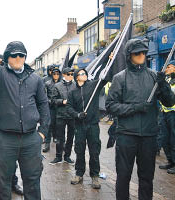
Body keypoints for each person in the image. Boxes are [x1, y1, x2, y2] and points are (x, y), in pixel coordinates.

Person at [106, 39, 175, 200]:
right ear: (130, 55)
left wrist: (163, 85)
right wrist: (135, 107)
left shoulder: (153, 77)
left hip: (148, 136)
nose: (141, 55)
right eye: (137, 53)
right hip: (126, 135)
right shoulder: (119, 78)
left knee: (146, 178)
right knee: (123, 176)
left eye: (144, 52)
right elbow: (111, 106)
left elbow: (170, 102)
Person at [0, 41, 50, 200]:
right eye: (13, 55)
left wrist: (42, 132)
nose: (18, 58)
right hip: (5, 139)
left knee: (33, 181)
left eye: (21, 55)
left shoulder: (35, 79)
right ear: (7, 57)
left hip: (30, 139)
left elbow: (43, 104)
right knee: (3, 182)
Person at [67, 68, 110, 189]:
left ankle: (95, 176)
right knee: (79, 150)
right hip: (79, 126)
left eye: (85, 73)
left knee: (94, 151)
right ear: (76, 77)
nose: (84, 75)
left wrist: (109, 60)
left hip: (93, 125)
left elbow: (104, 78)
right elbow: (69, 108)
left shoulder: (93, 86)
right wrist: (77, 115)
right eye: (81, 74)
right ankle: (79, 173)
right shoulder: (72, 92)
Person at [49, 67, 75, 165]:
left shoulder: (75, 85)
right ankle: (58, 156)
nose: (70, 76)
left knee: (71, 137)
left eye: (72, 74)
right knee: (60, 137)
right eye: (68, 74)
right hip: (60, 115)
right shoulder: (57, 86)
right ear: (63, 75)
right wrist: (62, 101)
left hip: (72, 115)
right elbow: (52, 100)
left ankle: (67, 156)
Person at [159, 60, 175, 174]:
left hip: (174, 114)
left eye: (170, 67)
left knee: (173, 140)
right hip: (165, 113)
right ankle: (170, 160)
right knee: (165, 139)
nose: (167, 69)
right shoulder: (167, 80)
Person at [43, 67, 62, 152]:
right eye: (54, 74)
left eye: (58, 74)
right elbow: (43, 95)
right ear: (51, 74)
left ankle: (60, 143)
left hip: (60, 107)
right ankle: (47, 144)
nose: (56, 75)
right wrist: (48, 101)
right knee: (49, 125)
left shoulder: (62, 83)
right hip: (50, 107)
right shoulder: (47, 83)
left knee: (59, 125)